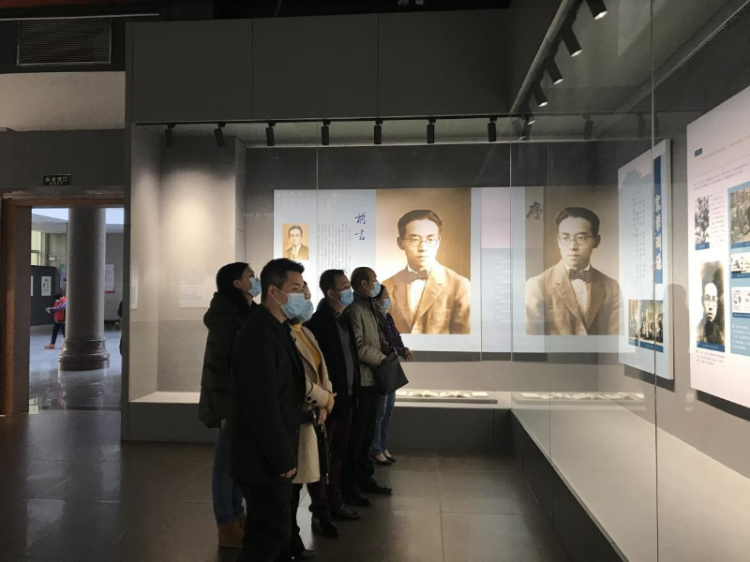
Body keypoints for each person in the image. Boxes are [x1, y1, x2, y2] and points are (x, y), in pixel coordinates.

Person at [230, 258, 307, 562]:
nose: (302, 294)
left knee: (271, 532)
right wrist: (282, 457)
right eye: (295, 288)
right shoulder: (258, 334)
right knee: (268, 536)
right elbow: (261, 405)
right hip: (261, 458)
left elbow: (284, 391)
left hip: (271, 453)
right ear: (274, 292)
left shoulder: (278, 329)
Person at [199, 262, 261, 548]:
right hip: (231, 402)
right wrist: (223, 410)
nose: (255, 280)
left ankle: (237, 514)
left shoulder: (248, 312)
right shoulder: (225, 316)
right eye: (251, 276)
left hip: (246, 399)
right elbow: (217, 365)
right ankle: (226, 523)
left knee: (239, 461)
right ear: (237, 283)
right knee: (225, 465)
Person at [305, 269, 363, 538]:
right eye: (345, 286)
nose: (350, 290)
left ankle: (335, 502)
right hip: (328, 404)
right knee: (322, 459)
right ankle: (321, 512)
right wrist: (323, 401)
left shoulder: (344, 318)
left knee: (338, 454)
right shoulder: (319, 323)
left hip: (347, 399)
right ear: (331, 293)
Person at [287, 281, 334, 561]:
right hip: (299, 415)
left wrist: (327, 399)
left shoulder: (305, 331)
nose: (305, 297)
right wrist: (323, 399)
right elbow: (295, 379)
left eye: (306, 293)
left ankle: (312, 521)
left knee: (314, 473)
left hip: (315, 413)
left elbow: (321, 369)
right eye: (299, 292)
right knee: (292, 485)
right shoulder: (282, 334)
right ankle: (290, 539)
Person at [525, 207, 621, 336]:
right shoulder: (536, 286)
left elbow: (616, 338)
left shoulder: (611, 287)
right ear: (558, 241)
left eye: (581, 238)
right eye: (565, 238)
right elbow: (530, 340)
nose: (572, 247)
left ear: (596, 241)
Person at [344, 266, 393, 502]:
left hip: (373, 379)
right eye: (374, 280)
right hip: (362, 381)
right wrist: (382, 359)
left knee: (368, 434)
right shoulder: (355, 308)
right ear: (364, 284)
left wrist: (388, 350)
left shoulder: (369, 307)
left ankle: (365, 478)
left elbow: (374, 340)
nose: (377, 283)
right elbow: (359, 347)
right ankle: (352, 484)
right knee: (359, 435)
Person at [382, 210, 470, 335]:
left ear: (438, 242)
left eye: (431, 239)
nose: (423, 248)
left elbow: (465, 340)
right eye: (414, 239)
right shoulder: (387, 287)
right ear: (401, 243)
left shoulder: (460, 286)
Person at [370, 285, 413, 466]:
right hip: (382, 367)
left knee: (388, 410)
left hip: (391, 366)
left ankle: (383, 445)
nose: (388, 299)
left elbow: (395, 337)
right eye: (385, 296)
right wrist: (392, 350)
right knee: (379, 412)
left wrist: (403, 350)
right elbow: (380, 343)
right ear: (376, 300)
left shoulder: (387, 317)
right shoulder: (373, 318)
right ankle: (376, 449)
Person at [697, 267, 724, 346]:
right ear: (702, 301)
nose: (710, 307)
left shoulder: (719, 333)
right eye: (707, 299)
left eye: (714, 299)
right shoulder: (697, 333)